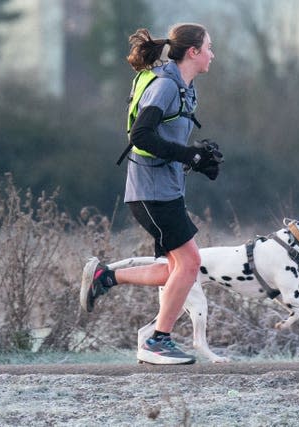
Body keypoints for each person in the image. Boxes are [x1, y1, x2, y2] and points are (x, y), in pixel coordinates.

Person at [80, 23, 220, 365]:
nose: (212, 55)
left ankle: (105, 276)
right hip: (151, 192)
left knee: (174, 270)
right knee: (190, 264)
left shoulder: (186, 88)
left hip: (165, 190)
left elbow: (167, 138)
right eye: (209, 48)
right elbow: (141, 134)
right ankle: (157, 341)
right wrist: (188, 155)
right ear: (193, 52)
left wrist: (198, 158)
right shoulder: (166, 86)